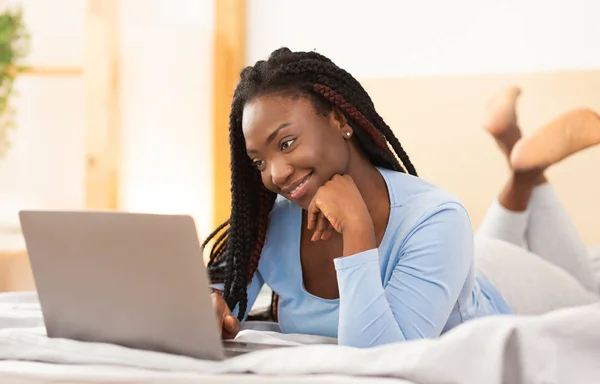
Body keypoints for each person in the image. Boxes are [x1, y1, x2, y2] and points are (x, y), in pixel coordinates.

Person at [204, 47, 511, 348]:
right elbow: (222, 298)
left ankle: (522, 175)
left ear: (338, 119)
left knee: (514, 247)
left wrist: (357, 228)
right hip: (459, 258)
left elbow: (382, 362)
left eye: (286, 143)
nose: (276, 174)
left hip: (502, 294)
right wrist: (210, 307)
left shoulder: (437, 218)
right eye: (259, 162)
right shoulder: (271, 226)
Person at [473, 86, 600, 315]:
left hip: (476, 267)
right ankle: (521, 165)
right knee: (589, 306)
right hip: (469, 255)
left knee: (589, 302)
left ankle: (520, 160)